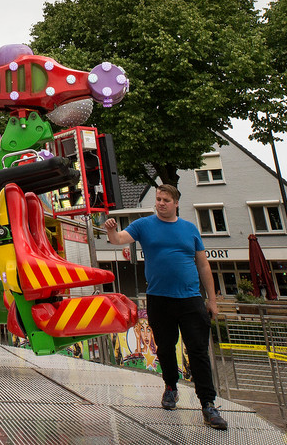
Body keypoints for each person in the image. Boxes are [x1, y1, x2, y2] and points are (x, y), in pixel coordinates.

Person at [105, 184, 227, 430]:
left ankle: (208, 404)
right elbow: (119, 240)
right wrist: (111, 231)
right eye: (158, 199)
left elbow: (203, 266)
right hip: (159, 298)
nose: (160, 203)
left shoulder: (190, 229)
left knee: (198, 351)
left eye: (166, 200)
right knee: (166, 348)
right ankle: (170, 387)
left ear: (176, 203)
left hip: (190, 299)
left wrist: (212, 300)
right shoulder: (143, 225)